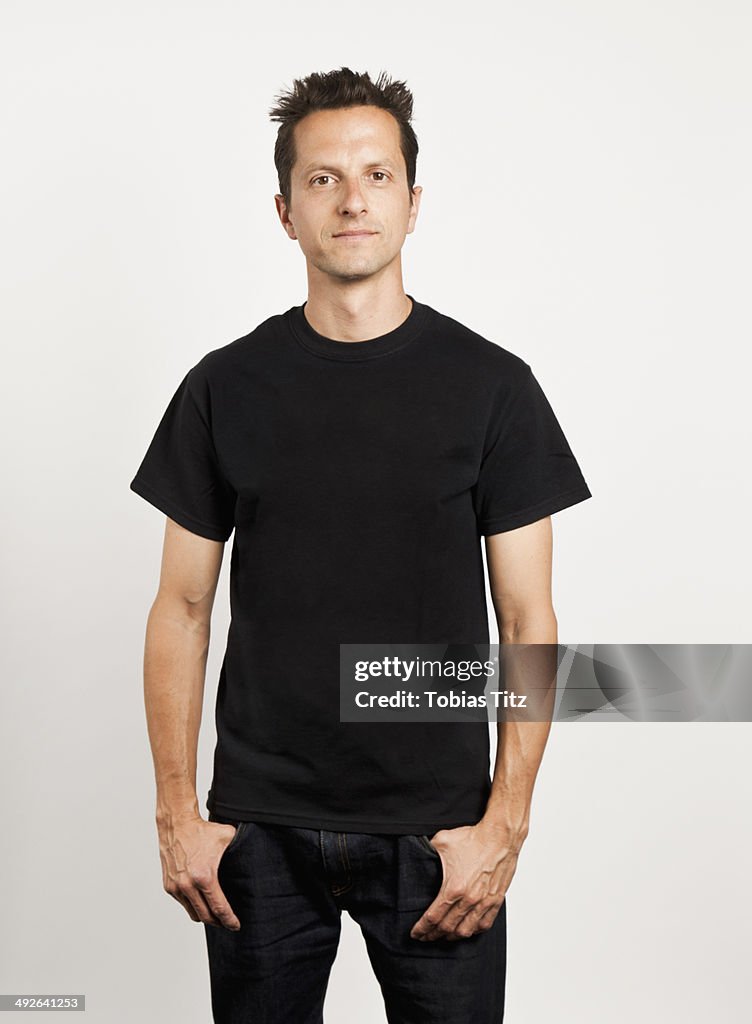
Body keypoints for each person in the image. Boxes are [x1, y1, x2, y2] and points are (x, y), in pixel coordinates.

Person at [130, 66, 592, 1024]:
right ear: (284, 208)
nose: (351, 200)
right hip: (258, 834)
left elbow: (528, 618)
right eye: (323, 178)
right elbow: (180, 607)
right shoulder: (225, 387)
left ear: (413, 204)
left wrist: (504, 825)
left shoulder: (492, 386)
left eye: (377, 176)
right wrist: (180, 812)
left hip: (438, 840)